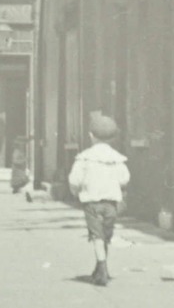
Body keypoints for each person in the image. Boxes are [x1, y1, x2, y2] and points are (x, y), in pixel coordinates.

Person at [68, 111, 130, 287]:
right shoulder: (116, 159)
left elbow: (74, 179)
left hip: (92, 203)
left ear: (91, 136)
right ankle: (100, 267)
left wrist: (75, 191)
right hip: (111, 203)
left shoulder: (85, 158)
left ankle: (102, 269)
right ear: (112, 138)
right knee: (105, 235)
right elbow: (124, 178)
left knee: (96, 236)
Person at [10, 136, 32, 202]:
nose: (22, 146)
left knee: (22, 180)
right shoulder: (17, 151)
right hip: (18, 167)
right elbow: (16, 160)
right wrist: (24, 160)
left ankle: (20, 190)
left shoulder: (18, 151)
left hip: (19, 167)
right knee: (23, 180)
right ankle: (23, 191)